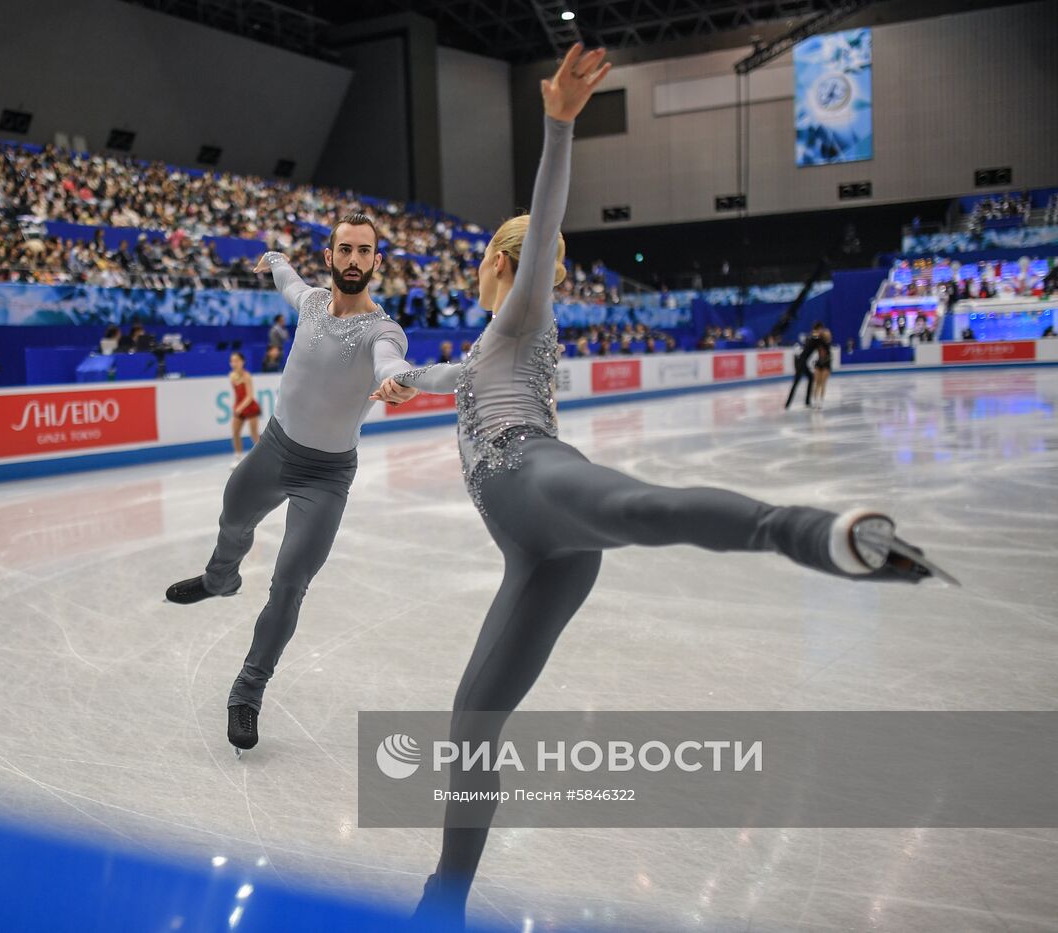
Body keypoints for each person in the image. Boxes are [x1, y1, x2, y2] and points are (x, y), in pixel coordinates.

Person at [368, 45, 955, 925]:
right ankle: (442, 900)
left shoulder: (525, 311)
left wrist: (560, 126)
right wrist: (398, 377)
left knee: (642, 507)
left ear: (501, 262)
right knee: (473, 718)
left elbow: (541, 228)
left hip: (537, 481)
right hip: (536, 555)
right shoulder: (486, 345)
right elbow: (439, 375)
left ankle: (813, 532)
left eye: (511, 262)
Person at [164, 211, 419, 753]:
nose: (354, 260)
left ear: (377, 261)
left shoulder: (383, 329)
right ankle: (219, 580)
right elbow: (288, 281)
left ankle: (247, 693)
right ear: (330, 257)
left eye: (364, 252)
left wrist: (395, 380)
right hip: (276, 449)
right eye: (344, 250)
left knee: (289, 584)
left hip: (326, 478)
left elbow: (387, 362)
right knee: (233, 514)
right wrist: (277, 259)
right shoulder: (308, 303)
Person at [227, 351, 262, 467]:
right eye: (232, 361)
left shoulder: (247, 377)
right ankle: (238, 456)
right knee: (235, 432)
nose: (234, 363)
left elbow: (249, 396)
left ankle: (263, 457)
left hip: (250, 407)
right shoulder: (231, 376)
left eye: (236, 361)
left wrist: (240, 407)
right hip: (239, 407)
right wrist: (236, 406)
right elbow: (238, 394)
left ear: (243, 362)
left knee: (254, 433)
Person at [785, 323, 823, 410]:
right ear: (817, 329)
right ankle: (787, 405)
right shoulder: (815, 337)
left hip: (801, 361)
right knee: (796, 383)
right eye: (821, 329)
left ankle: (806, 401)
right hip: (801, 362)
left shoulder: (812, 337)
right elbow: (818, 340)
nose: (822, 331)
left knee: (810, 378)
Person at [811, 326, 834, 408]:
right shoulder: (818, 341)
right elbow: (813, 335)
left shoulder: (827, 342)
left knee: (823, 384)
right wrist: (818, 332)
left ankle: (820, 401)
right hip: (819, 363)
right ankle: (815, 401)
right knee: (817, 383)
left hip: (826, 364)